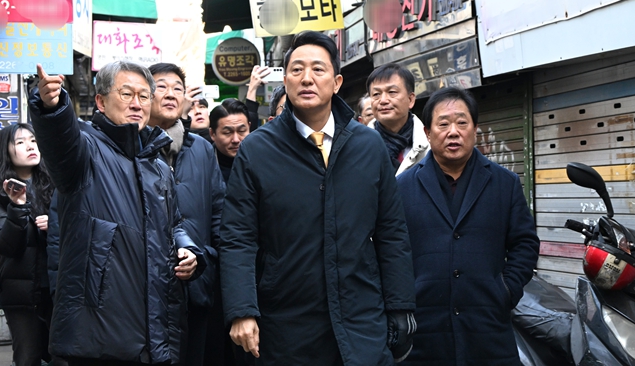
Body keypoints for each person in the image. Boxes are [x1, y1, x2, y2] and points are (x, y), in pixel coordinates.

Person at [220, 30, 417, 366]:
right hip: (287, 321)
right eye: (297, 70)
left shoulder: (368, 146)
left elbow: (392, 231)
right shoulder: (257, 149)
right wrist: (242, 310)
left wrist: (401, 306)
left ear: (337, 82)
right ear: (286, 80)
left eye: (318, 69)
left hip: (361, 316)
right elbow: (238, 237)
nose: (307, 78)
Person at [28, 61, 204, 366]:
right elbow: (60, 140)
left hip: (155, 331)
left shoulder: (158, 165)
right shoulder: (85, 149)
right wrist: (52, 107)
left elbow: (174, 224)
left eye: (144, 96)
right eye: (126, 94)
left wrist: (187, 249)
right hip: (98, 336)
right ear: (101, 102)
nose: (137, 103)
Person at [396, 86, 539, 365]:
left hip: (488, 329)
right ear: (427, 133)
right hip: (425, 332)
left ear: (475, 130)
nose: (453, 132)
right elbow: (391, 250)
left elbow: (525, 244)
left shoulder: (504, 183)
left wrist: (506, 290)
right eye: (443, 124)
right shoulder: (403, 187)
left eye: (462, 123)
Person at [148, 62, 226, 366]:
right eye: (161, 87)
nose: (170, 94)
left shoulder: (202, 149)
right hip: (146, 289)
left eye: (177, 89)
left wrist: (210, 260)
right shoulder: (130, 149)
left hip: (196, 283)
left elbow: (218, 212)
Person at [0, 123, 55, 366]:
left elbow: (80, 228)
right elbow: (5, 246)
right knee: (27, 358)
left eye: (33, 140)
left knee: (64, 356)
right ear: (6, 151)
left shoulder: (57, 189)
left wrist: (56, 224)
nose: (30, 146)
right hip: (21, 295)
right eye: (21, 142)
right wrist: (17, 206)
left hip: (59, 290)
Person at [367, 63, 429, 176]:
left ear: (410, 100)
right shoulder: (357, 146)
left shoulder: (430, 144)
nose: (383, 100)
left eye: (392, 92)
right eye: (376, 94)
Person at [209, 98, 250, 184]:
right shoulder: (202, 165)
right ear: (212, 133)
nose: (236, 140)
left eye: (241, 131)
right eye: (227, 132)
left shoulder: (262, 160)